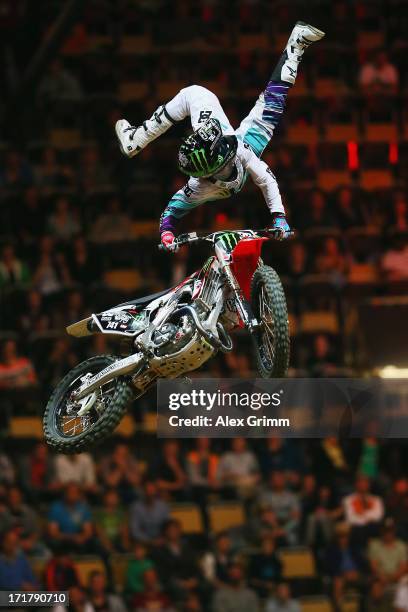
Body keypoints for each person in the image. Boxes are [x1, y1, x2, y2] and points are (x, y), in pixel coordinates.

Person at [115, 22, 325, 250]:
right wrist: (166, 235)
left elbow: (265, 179)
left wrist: (279, 217)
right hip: (232, 156)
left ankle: (135, 140)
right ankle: (136, 140)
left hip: (221, 140)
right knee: (272, 102)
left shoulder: (233, 145)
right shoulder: (198, 186)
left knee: (196, 93)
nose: (229, 146)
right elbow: (171, 212)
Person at [368, 517, 407, 588]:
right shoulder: (374, 545)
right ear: (381, 531)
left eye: (390, 530)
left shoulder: (401, 546)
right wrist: (382, 577)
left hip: (398, 578)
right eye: (385, 530)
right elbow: (374, 565)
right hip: (380, 578)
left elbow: (404, 566)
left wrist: (394, 577)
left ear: (394, 531)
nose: (388, 533)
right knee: (375, 586)